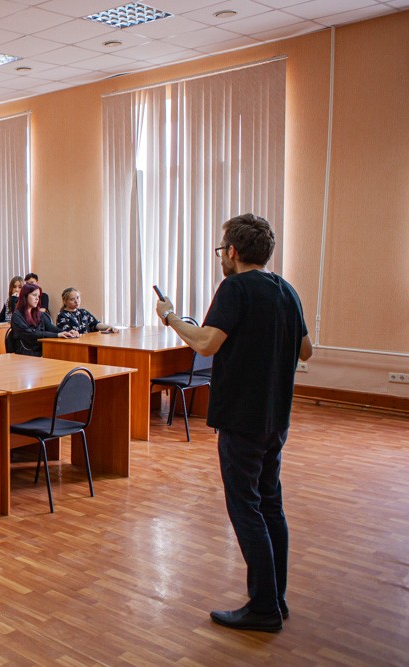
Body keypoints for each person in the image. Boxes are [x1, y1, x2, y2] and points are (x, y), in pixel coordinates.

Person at [155, 213, 312, 633]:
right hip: (276, 418)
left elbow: (206, 343)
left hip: (242, 418)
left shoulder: (235, 288)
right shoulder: (287, 290)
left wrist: (170, 317)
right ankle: (275, 599)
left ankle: (262, 608)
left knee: (246, 508)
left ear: (233, 251)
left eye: (221, 251)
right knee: (270, 504)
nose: (221, 258)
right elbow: (306, 351)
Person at [10, 283, 77, 356]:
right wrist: (57, 335)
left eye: (38, 296)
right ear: (25, 296)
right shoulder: (17, 316)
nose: (37, 298)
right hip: (25, 355)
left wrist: (68, 333)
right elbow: (31, 335)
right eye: (34, 295)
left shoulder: (40, 314)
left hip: (42, 351)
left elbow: (51, 328)